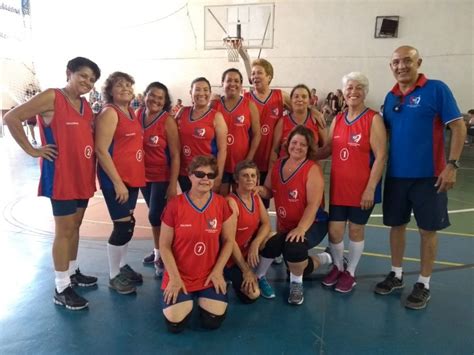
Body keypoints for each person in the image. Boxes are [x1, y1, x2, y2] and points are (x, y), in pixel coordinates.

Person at [4, 57, 101, 310]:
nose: (87, 83)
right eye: (83, 76)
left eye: (92, 80)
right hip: (62, 177)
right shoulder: (52, 97)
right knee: (64, 230)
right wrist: (32, 150)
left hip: (83, 175)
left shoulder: (85, 106)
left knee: (76, 225)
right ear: (69, 73)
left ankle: (71, 271)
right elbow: (12, 118)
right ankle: (61, 287)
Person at [375, 45, 466, 309]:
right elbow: (384, 136)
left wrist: (452, 165)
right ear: (390, 66)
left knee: (428, 230)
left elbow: (458, 127)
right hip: (396, 176)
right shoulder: (391, 97)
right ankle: (397, 274)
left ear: (419, 63)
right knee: (397, 226)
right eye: (396, 62)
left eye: (407, 61)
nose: (401, 66)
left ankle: (424, 283)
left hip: (430, 177)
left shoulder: (436, 89)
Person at [317, 72, 387, 293]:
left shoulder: (373, 119)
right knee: (335, 232)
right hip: (339, 187)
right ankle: (338, 266)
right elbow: (327, 149)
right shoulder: (337, 119)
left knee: (356, 230)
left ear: (364, 92)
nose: (353, 92)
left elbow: (381, 156)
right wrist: (301, 154)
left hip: (362, 189)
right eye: (349, 88)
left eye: (358, 88)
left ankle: (351, 273)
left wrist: (370, 188)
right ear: (343, 92)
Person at [255, 125, 332, 303]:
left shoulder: (312, 169)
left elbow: (313, 205)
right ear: (288, 143)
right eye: (294, 142)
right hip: (287, 225)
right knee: (271, 244)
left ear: (309, 148)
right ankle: (259, 276)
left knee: (294, 249)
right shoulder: (278, 165)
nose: (297, 147)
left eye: (303, 145)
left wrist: (301, 228)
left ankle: (297, 285)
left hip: (313, 224)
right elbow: (268, 191)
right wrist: (258, 190)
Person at [159, 155, 235, 333]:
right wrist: (175, 278)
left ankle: (201, 298)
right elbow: (164, 245)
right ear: (190, 175)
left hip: (208, 276)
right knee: (175, 325)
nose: (205, 179)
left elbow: (229, 241)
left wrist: (218, 272)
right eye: (200, 174)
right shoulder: (175, 205)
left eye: (210, 175)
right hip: (180, 275)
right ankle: (183, 298)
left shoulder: (221, 204)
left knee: (212, 322)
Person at [95, 71, 146, 295]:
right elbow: (101, 150)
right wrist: (117, 183)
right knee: (123, 226)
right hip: (116, 180)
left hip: (131, 177)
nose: (125, 89)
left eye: (128, 85)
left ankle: (122, 265)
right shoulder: (110, 113)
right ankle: (114, 276)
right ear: (110, 91)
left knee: (129, 224)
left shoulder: (131, 111)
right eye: (119, 86)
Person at [136, 82, 180, 277]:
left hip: (161, 175)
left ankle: (162, 254)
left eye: (160, 98)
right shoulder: (137, 115)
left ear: (165, 102)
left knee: (155, 215)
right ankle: (157, 251)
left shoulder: (167, 120)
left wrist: (172, 184)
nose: (155, 100)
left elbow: (176, 154)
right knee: (155, 216)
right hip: (141, 175)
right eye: (152, 95)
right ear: (145, 96)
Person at [224, 160, 271, 303]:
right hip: (231, 258)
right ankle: (226, 275)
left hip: (248, 252)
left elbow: (266, 224)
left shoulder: (255, 196)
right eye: (245, 176)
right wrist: (246, 270)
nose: (250, 179)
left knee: (273, 238)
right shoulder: (231, 202)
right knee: (253, 295)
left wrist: (256, 243)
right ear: (237, 179)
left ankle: (259, 275)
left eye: (253, 175)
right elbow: (229, 242)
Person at [211, 68, 261, 195]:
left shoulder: (249, 105)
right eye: (229, 80)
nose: (232, 84)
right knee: (220, 200)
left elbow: (257, 135)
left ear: (241, 84)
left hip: (241, 162)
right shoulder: (215, 105)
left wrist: (249, 159)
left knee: (241, 200)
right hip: (219, 163)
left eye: (236, 81)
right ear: (222, 83)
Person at [175, 77, 227, 193]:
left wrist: (218, 177)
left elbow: (222, 150)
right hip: (185, 172)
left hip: (206, 174)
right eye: (197, 89)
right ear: (191, 92)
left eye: (205, 90)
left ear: (210, 93)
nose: (201, 93)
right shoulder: (182, 112)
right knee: (188, 207)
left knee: (205, 208)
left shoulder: (216, 117)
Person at [269, 84, 327, 169]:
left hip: (309, 171)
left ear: (309, 100)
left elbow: (325, 149)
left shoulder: (317, 121)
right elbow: (274, 151)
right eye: (296, 96)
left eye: (304, 96)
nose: (300, 99)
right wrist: (271, 173)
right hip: (286, 171)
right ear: (291, 100)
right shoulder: (282, 122)